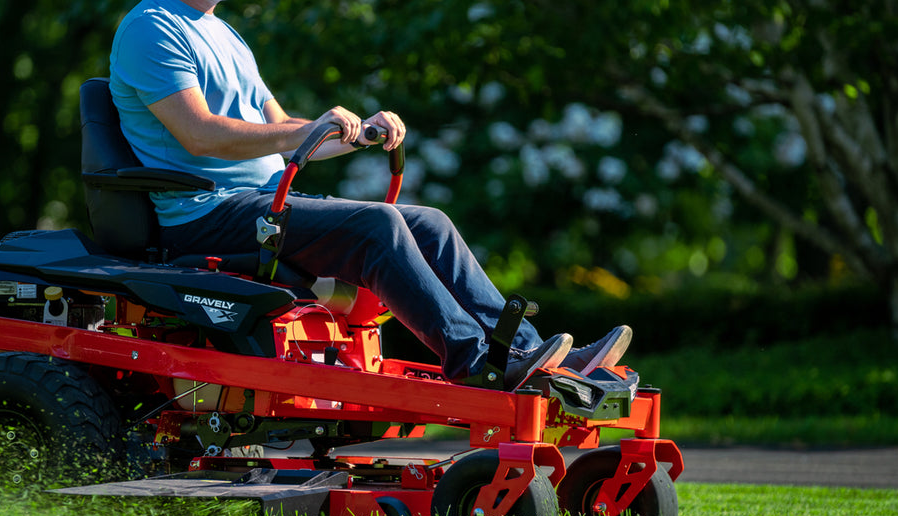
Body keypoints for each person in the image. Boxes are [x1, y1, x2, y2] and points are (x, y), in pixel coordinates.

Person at [109, 0, 632, 391]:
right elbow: (199, 134)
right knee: (376, 226)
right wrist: (308, 131)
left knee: (429, 222)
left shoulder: (224, 33)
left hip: (263, 202)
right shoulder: (152, 27)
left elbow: (288, 133)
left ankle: (528, 353)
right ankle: (474, 362)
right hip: (206, 212)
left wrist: (361, 134)